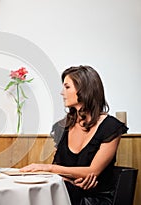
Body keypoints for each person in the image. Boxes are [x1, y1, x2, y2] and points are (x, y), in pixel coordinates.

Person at [20, 65, 128, 205]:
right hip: (67, 191)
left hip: (96, 198)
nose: (62, 92)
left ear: (84, 89)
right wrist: (67, 176)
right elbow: (59, 168)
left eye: (67, 87)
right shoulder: (62, 127)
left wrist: (48, 168)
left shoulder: (111, 127)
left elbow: (93, 171)